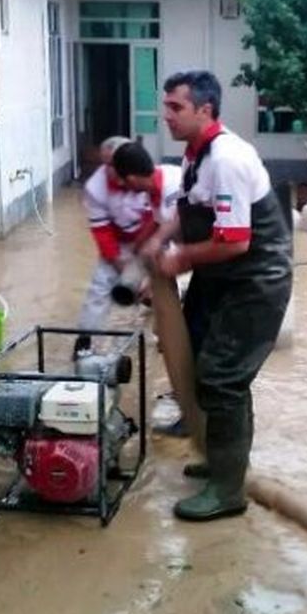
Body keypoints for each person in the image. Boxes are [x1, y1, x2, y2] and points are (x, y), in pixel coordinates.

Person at [141, 70, 292, 522]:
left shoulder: (227, 158)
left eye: (175, 107)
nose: (164, 114)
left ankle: (228, 490)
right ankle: (218, 458)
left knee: (223, 377)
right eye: (164, 105)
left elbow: (235, 241)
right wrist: (161, 237)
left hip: (254, 281)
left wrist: (177, 260)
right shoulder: (195, 154)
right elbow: (189, 207)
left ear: (205, 110)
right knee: (198, 358)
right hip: (220, 276)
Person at [109, 139, 188, 436]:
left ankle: (191, 413)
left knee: (186, 338)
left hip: (206, 262)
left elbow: (178, 238)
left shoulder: (170, 190)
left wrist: (153, 284)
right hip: (187, 258)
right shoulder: (159, 182)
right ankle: (183, 395)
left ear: (130, 179)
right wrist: (134, 256)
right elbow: (156, 229)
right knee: (167, 337)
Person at [73, 136, 175, 354]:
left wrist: (144, 255)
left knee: (162, 286)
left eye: (116, 164)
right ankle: (85, 340)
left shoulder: (148, 178)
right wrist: (121, 264)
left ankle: (166, 336)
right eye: (108, 164)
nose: (112, 170)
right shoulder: (95, 188)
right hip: (120, 243)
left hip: (152, 236)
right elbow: (102, 232)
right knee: (100, 287)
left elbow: (157, 220)